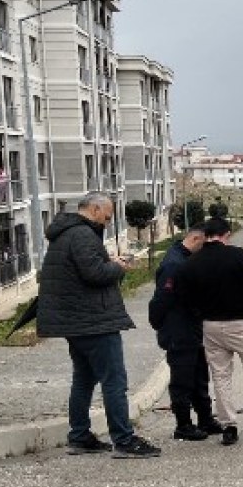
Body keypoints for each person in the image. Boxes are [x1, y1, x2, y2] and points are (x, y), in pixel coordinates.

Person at [37, 191, 160, 459]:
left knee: (84, 379)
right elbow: (94, 274)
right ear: (94, 209)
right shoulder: (82, 235)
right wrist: (119, 267)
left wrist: (108, 263)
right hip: (94, 322)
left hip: (76, 322)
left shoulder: (65, 234)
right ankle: (124, 440)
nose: (106, 223)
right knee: (114, 381)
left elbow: (84, 270)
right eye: (106, 217)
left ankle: (80, 436)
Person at [176, 217, 243, 447]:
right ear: (226, 234)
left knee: (221, 377)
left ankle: (229, 427)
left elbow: (184, 296)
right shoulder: (238, 255)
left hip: (212, 325)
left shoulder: (193, 262)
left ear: (205, 235)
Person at [147, 222, 224, 442]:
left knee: (199, 376)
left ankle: (205, 419)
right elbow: (161, 300)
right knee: (182, 380)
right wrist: (160, 324)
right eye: (206, 243)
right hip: (178, 331)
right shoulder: (174, 264)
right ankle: (183, 424)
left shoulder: (187, 260)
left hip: (193, 329)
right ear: (196, 239)